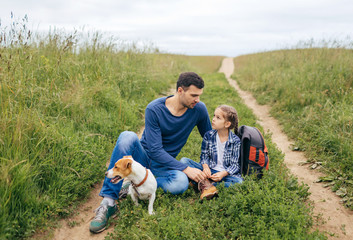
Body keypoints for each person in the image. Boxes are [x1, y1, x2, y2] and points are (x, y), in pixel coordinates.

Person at [89, 72, 212, 233]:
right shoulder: (154, 109)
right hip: (143, 159)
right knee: (127, 136)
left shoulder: (198, 109)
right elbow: (154, 150)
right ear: (180, 91)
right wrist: (186, 168)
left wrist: (226, 148)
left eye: (199, 96)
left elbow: (209, 138)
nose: (198, 100)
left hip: (163, 166)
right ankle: (108, 202)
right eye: (194, 95)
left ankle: (134, 184)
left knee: (181, 183)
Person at [180, 105, 243, 200]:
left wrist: (223, 174)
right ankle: (208, 185)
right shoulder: (208, 136)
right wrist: (205, 168)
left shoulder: (235, 141)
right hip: (209, 171)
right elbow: (204, 156)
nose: (213, 119)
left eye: (218, 118)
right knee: (184, 161)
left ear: (227, 124)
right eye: (214, 116)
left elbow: (235, 165)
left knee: (239, 182)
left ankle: (205, 184)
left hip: (224, 174)